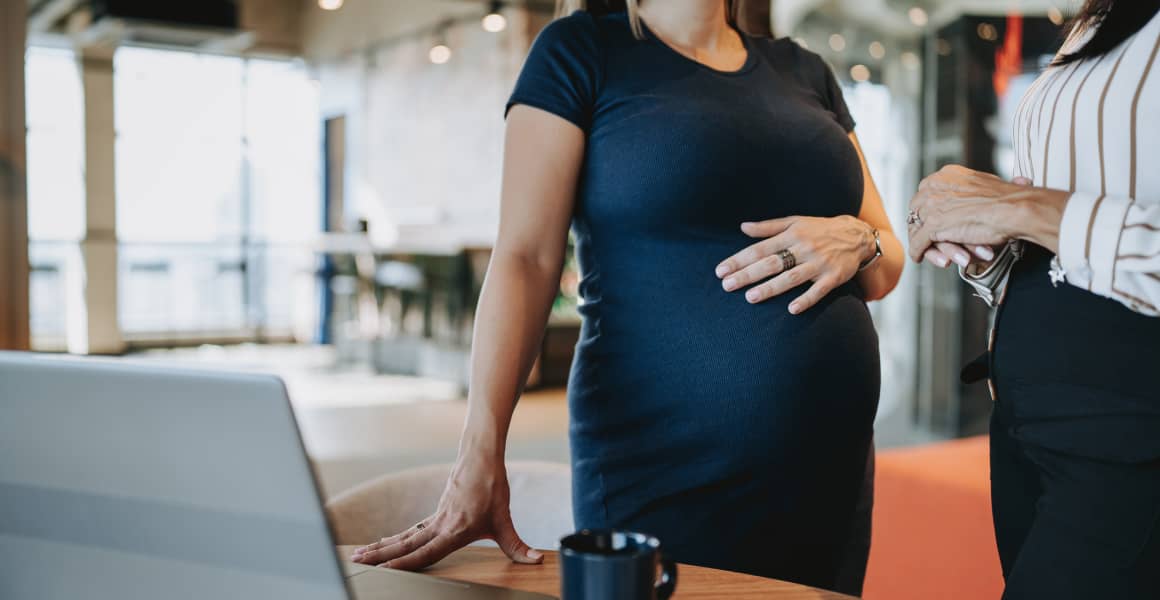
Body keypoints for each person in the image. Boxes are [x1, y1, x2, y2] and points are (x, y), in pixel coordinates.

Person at [352, 0, 903, 593]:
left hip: (829, 471)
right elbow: (525, 258)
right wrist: (480, 453)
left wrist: (862, 239)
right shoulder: (580, 52)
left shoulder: (804, 70)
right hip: (662, 463)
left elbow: (885, 260)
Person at [907, 1, 1160, 597]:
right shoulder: (1094, 20)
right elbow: (1063, 242)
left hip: (1129, 424)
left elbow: (1049, 213)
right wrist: (988, 249)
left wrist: (1014, 207)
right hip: (1027, 416)